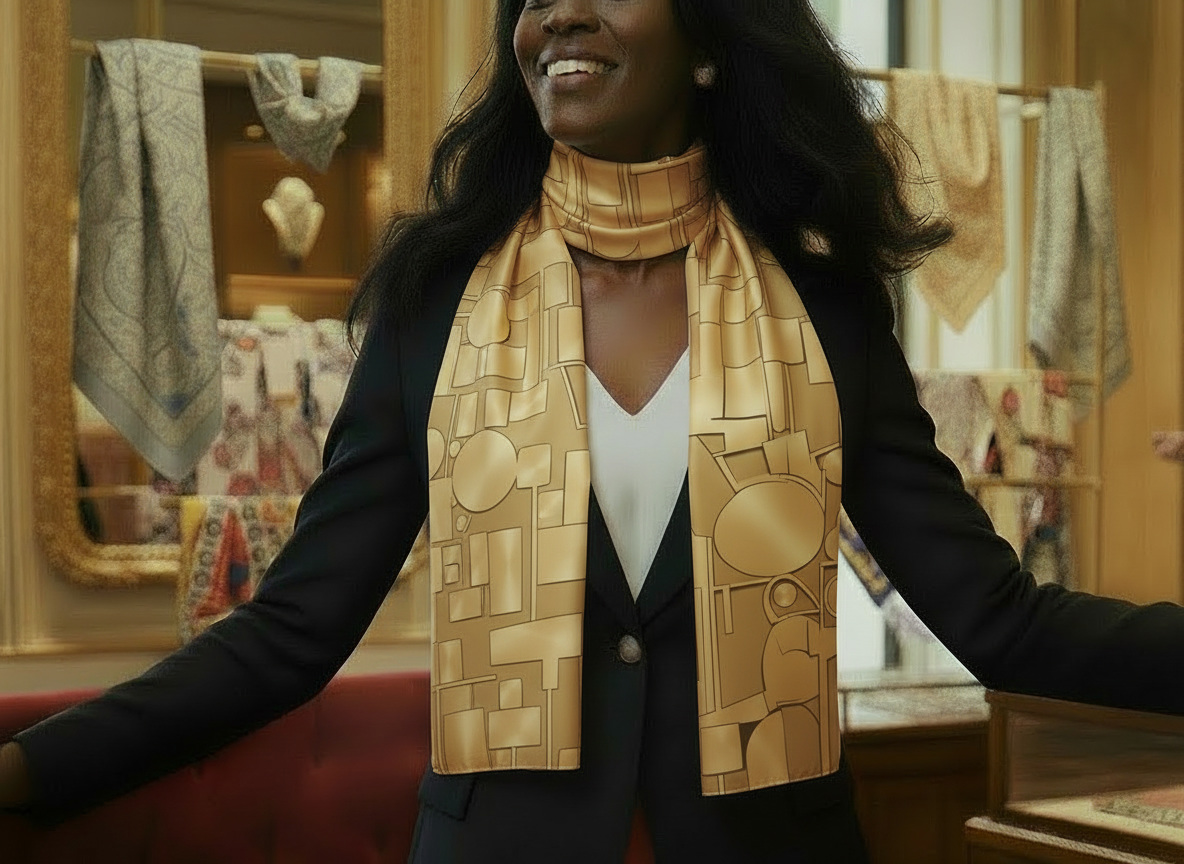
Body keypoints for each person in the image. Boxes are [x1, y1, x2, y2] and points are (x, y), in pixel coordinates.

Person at [4, 1, 1184, 861]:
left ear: (708, 41)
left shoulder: (824, 313)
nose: (555, 12)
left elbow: (998, 621)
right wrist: (27, 768)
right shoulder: (433, 306)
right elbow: (289, 633)